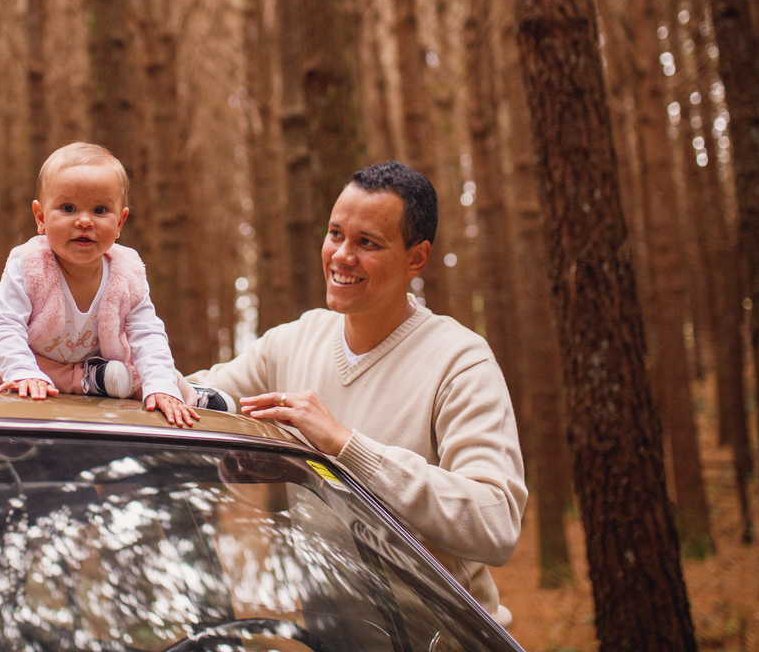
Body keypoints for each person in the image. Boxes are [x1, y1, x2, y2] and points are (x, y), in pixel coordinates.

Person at [188, 160, 527, 626]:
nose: (342, 256)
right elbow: (189, 397)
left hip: (446, 639)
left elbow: (497, 523)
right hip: (330, 636)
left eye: (367, 243)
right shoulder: (293, 342)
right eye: (335, 234)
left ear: (416, 258)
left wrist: (346, 446)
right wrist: (97, 372)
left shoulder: (460, 361)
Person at [0, 142, 233, 428]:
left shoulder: (126, 272)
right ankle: (82, 380)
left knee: (146, 376)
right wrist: (23, 373)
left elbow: (148, 334)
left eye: (100, 210)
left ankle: (190, 395)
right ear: (41, 218)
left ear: (120, 223)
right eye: (68, 208)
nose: (84, 221)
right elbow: (7, 326)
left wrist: (164, 388)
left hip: (102, 361)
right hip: (39, 358)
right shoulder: (29, 265)